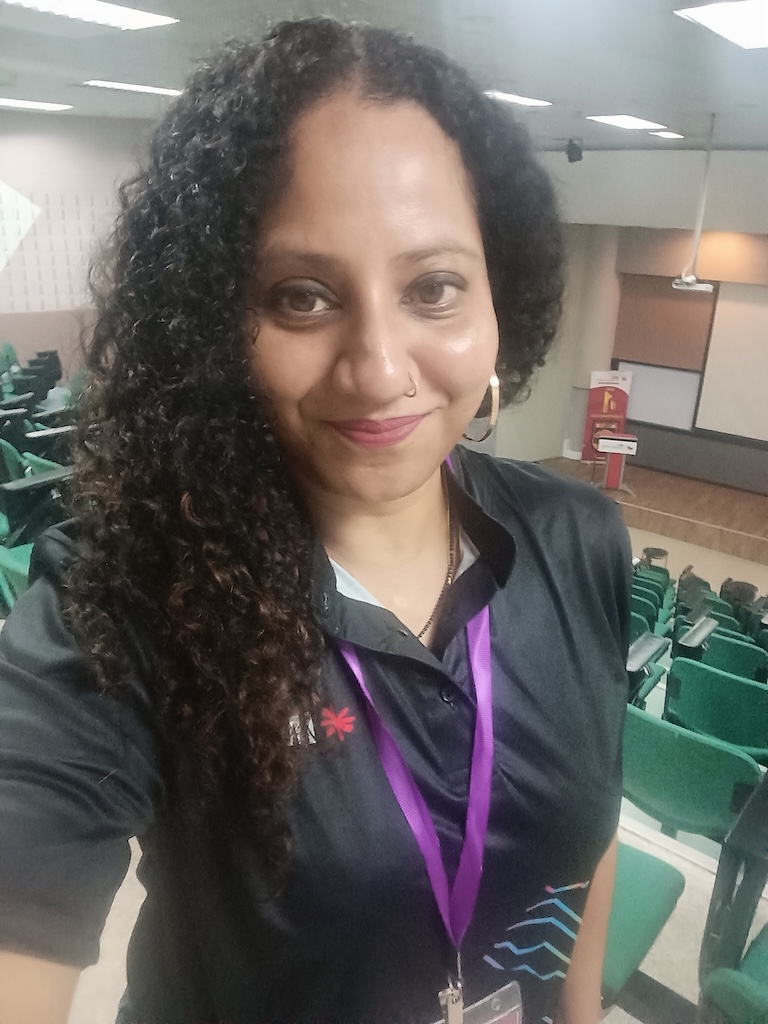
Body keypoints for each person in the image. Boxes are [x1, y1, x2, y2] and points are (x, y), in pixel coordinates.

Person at [0, 17, 631, 1024]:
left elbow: (585, 845)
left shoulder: (581, 540)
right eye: (302, 297)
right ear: (217, 324)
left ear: (498, 298)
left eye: (434, 287)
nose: (378, 369)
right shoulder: (125, 593)